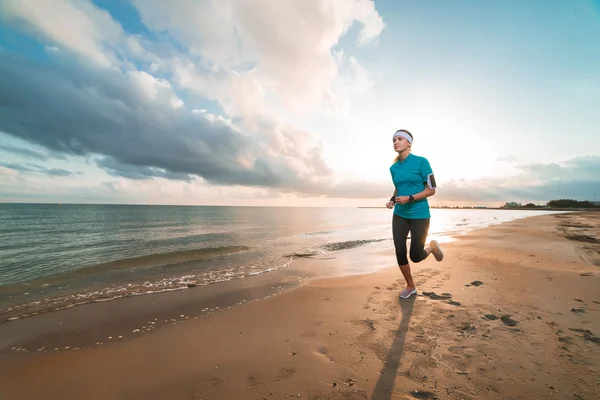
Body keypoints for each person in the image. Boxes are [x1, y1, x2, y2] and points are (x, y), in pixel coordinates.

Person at [385, 129, 444, 299]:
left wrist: (410, 198)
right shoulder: (393, 168)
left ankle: (432, 247)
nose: (396, 142)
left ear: (409, 143)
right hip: (400, 214)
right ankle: (410, 286)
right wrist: (393, 199)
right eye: (394, 139)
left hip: (420, 215)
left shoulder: (422, 162)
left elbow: (431, 190)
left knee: (416, 256)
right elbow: (399, 187)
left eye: (400, 139)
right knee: (399, 251)